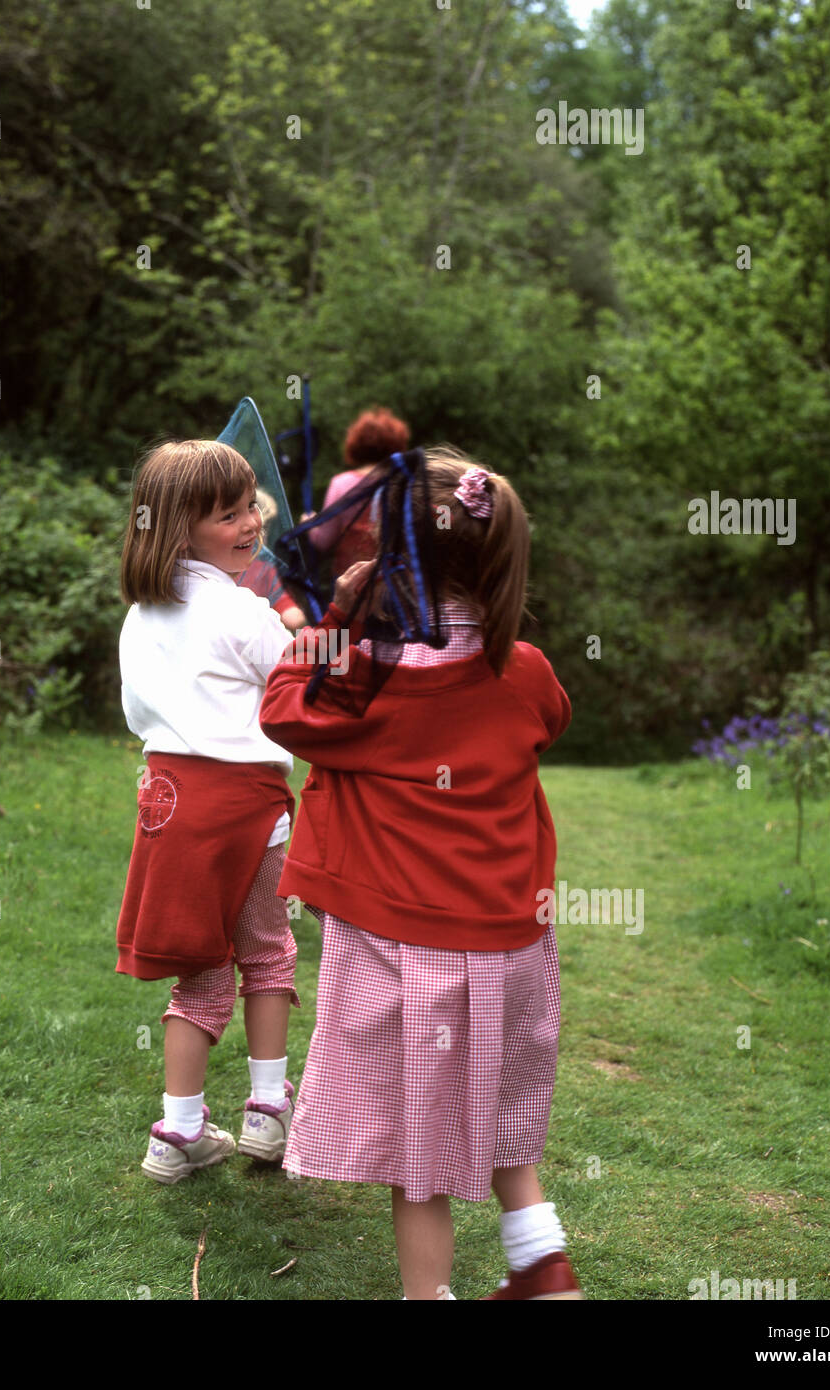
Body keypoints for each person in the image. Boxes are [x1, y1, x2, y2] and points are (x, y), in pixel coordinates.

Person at [259, 447, 580, 1301]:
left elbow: (282, 709)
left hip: (407, 950)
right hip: (511, 941)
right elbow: (546, 722)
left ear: (391, 552)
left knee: (418, 1153)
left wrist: (341, 609)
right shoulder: (527, 672)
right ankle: (542, 1267)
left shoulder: (359, 683)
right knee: (505, 1113)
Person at [116, 439, 301, 1184]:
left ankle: (179, 1131)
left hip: (167, 801)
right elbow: (294, 687)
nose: (250, 521)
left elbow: (136, 713)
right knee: (265, 950)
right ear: (180, 529)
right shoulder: (240, 609)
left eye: (250, 504)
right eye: (227, 514)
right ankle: (266, 1110)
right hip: (247, 806)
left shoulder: (140, 616)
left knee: (196, 969)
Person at [301, 408, 410, 583]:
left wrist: (308, 524)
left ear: (356, 444)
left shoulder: (341, 483)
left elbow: (323, 540)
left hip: (351, 580)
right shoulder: (405, 484)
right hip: (394, 582)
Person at [237, 488, 307, 631]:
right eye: (263, 527)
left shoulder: (265, 567)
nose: (263, 534)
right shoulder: (216, 569)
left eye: (267, 527)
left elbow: (288, 611)